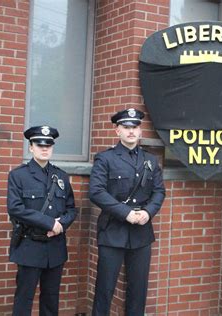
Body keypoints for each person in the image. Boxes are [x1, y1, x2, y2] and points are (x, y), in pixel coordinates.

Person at [89, 108, 165, 315]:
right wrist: (126, 213)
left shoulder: (150, 160)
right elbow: (96, 192)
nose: (131, 131)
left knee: (138, 290)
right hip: (113, 230)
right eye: (126, 127)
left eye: (135, 127)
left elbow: (159, 191)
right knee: (105, 288)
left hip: (141, 232)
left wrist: (148, 213)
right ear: (117, 131)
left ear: (140, 131)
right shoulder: (105, 159)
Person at [7, 125, 78, 316]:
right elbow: (15, 209)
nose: (44, 148)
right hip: (30, 245)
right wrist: (49, 223)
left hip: (55, 247)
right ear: (31, 147)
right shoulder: (18, 176)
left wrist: (61, 225)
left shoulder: (61, 176)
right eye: (39, 145)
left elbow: (72, 208)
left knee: (51, 298)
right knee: (24, 298)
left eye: (48, 145)